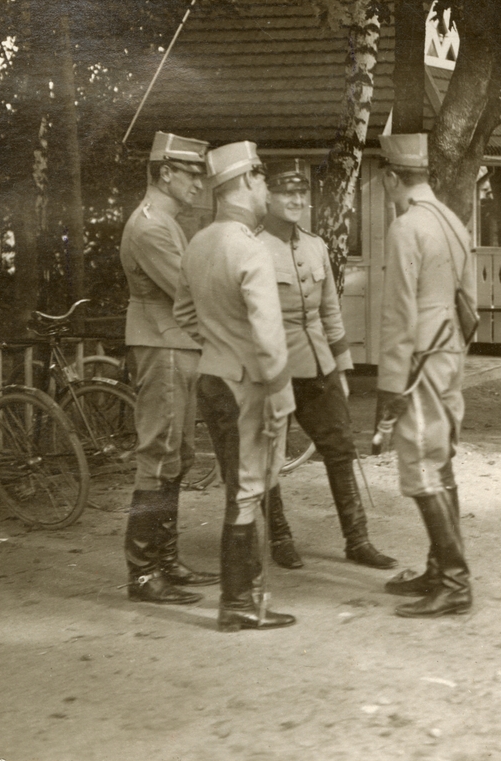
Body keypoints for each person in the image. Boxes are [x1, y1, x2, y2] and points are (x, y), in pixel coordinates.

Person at [174, 141, 297, 631]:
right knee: (247, 491)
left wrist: (219, 345)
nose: (267, 189)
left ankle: (240, 598)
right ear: (246, 180)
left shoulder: (198, 242)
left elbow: (184, 314)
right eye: (263, 178)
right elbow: (268, 335)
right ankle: (238, 603)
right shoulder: (250, 247)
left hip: (212, 377)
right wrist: (282, 397)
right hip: (248, 386)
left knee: (238, 486)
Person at [255, 159, 397, 571]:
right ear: (267, 196)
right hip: (273, 369)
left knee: (340, 448)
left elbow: (330, 312)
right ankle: (280, 537)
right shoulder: (254, 246)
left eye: (302, 193)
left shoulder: (315, 246)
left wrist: (342, 367)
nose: (296, 200)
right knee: (268, 455)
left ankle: (358, 539)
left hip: (318, 366)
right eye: (286, 192)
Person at [373, 133, 478, 619]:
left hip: (419, 358)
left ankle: (454, 582)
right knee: (440, 459)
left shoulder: (406, 226)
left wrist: (390, 385)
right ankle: (440, 570)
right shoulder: (452, 220)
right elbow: (471, 303)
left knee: (419, 463)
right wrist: (451, 349)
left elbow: (398, 312)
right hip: (448, 349)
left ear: (391, 177)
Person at [119, 131, 218, 605]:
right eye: (190, 174)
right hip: (163, 344)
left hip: (176, 345)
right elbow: (189, 291)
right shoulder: (151, 227)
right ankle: (143, 573)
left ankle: (165, 560)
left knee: (178, 455)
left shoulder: (166, 222)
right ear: (165, 174)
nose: (198, 183)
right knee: (158, 454)